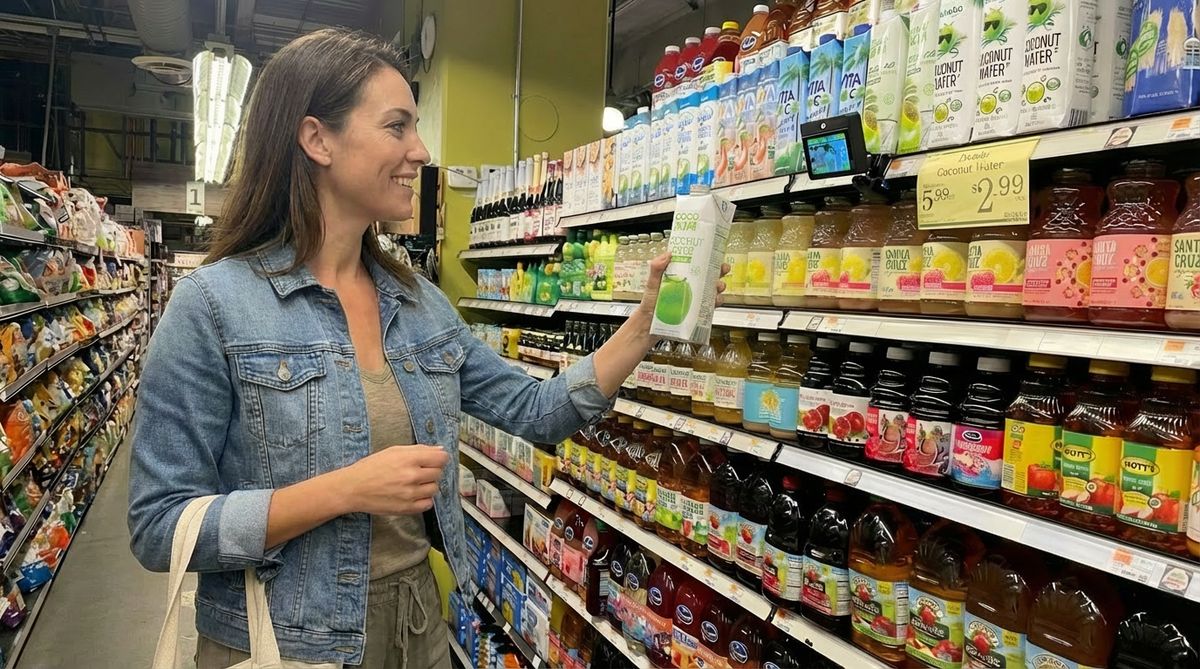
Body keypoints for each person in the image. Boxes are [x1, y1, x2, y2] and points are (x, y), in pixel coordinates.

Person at [127, 28, 722, 669]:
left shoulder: (419, 304)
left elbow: (538, 411)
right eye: (397, 126)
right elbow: (162, 526)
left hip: (418, 629)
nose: (421, 149)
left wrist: (644, 327)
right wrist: (344, 490)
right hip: (285, 642)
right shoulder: (214, 307)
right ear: (317, 139)